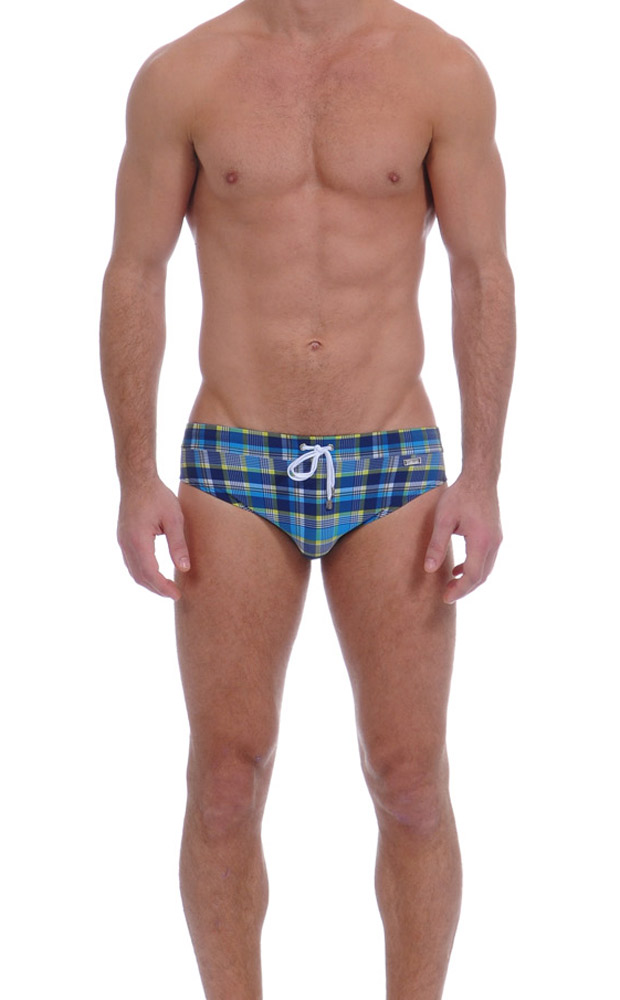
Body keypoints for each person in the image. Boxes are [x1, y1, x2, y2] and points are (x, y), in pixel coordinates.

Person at [100, 0, 516, 996]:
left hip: (394, 459)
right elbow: (135, 273)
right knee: (225, 784)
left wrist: (482, 475)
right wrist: (134, 476)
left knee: (411, 784)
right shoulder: (183, 73)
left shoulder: (440, 69)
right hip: (233, 457)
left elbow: (480, 273)